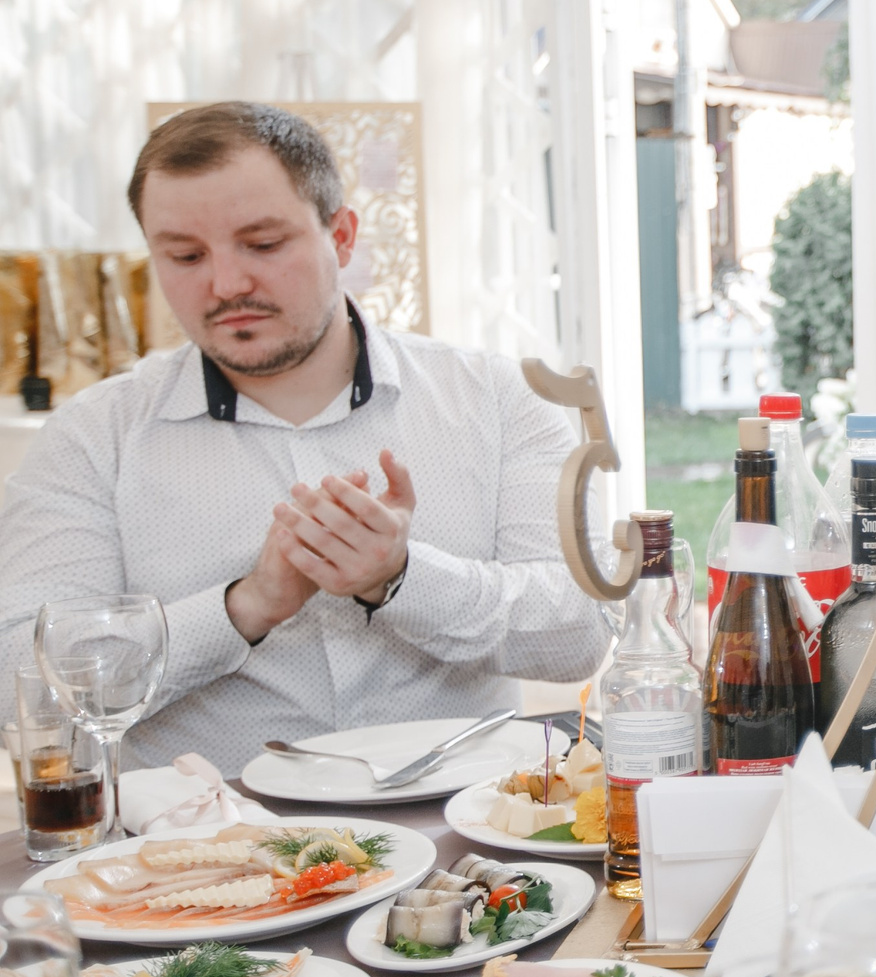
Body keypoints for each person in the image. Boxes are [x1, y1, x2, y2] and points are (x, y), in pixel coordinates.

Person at [0, 103, 612, 770]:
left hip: (465, 838)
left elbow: (581, 632)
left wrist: (403, 578)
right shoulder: (92, 439)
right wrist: (242, 608)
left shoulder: (499, 399)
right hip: (208, 854)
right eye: (184, 254)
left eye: (263, 244)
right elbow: (18, 686)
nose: (227, 284)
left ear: (343, 236)